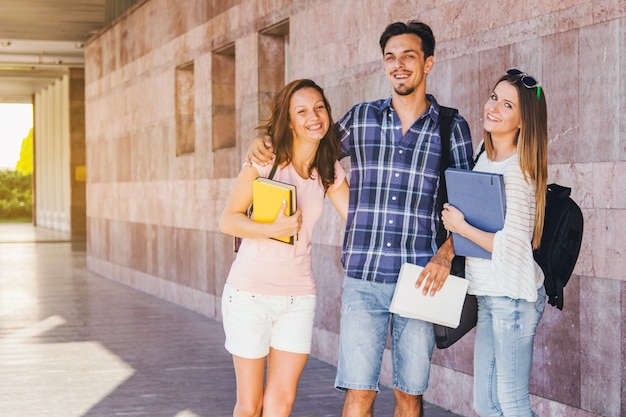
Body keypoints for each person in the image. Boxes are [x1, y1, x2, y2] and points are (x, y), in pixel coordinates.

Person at [248, 21, 473, 417]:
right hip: (363, 276)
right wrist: (264, 139)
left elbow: (467, 206)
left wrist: (446, 254)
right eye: (390, 57)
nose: (398, 65)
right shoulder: (363, 118)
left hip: (420, 278)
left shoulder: (451, 127)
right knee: (359, 394)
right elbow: (309, 143)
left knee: (408, 394)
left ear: (429, 63)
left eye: (409, 56)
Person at [219, 78, 349, 417]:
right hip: (250, 294)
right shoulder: (266, 159)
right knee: (250, 405)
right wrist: (273, 228)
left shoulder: (328, 169)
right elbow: (228, 220)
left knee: (282, 403)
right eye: (302, 111)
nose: (314, 117)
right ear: (289, 121)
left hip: (298, 296)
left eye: (320, 108)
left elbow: (357, 216)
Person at [441, 68, 548, 416]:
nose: (493, 108)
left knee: (512, 404)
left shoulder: (518, 171)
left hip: (512, 300)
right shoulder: (483, 157)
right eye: (493, 98)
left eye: (507, 105)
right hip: (489, 295)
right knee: (486, 404)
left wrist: (461, 226)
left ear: (522, 121)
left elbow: (515, 247)